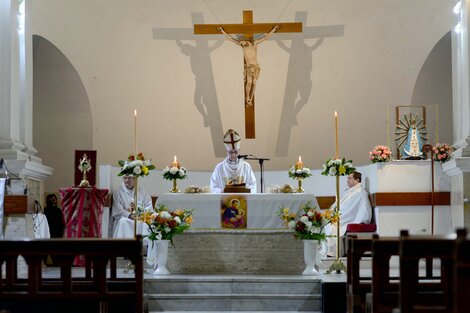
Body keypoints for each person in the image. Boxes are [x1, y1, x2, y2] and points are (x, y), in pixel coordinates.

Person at [217, 25, 280, 106]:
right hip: (248, 68)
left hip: (256, 67)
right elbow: (230, 38)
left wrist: (273, 30)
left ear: (245, 40)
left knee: (254, 83)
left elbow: (266, 37)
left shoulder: (254, 44)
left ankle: (251, 98)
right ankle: (247, 98)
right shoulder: (242, 45)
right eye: (240, 43)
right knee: (249, 82)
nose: (241, 44)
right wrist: (222, 31)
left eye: (242, 42)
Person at [325, 171, 372, 256]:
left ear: (357, 180)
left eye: (350, 178)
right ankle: (328, 251)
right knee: (328, 227)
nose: (347, 180)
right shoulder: (349, 191)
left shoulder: (360, 192)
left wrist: (337, 216)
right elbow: (341, 204)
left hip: (349, 218)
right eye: (347, 178)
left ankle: (332, 253)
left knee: (332, 228)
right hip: (341, 217)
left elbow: (350, 209)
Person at [210, 129, 257, 193]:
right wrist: (222, 191)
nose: (233, 155)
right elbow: (213, 186)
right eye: (230, 152)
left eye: (235, 152)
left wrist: (246, 190)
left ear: (239, 150)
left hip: (243, 201)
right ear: (226, 151)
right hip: (224, 201)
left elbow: (253, 185)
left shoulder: (246, 166)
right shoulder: (219, 168)